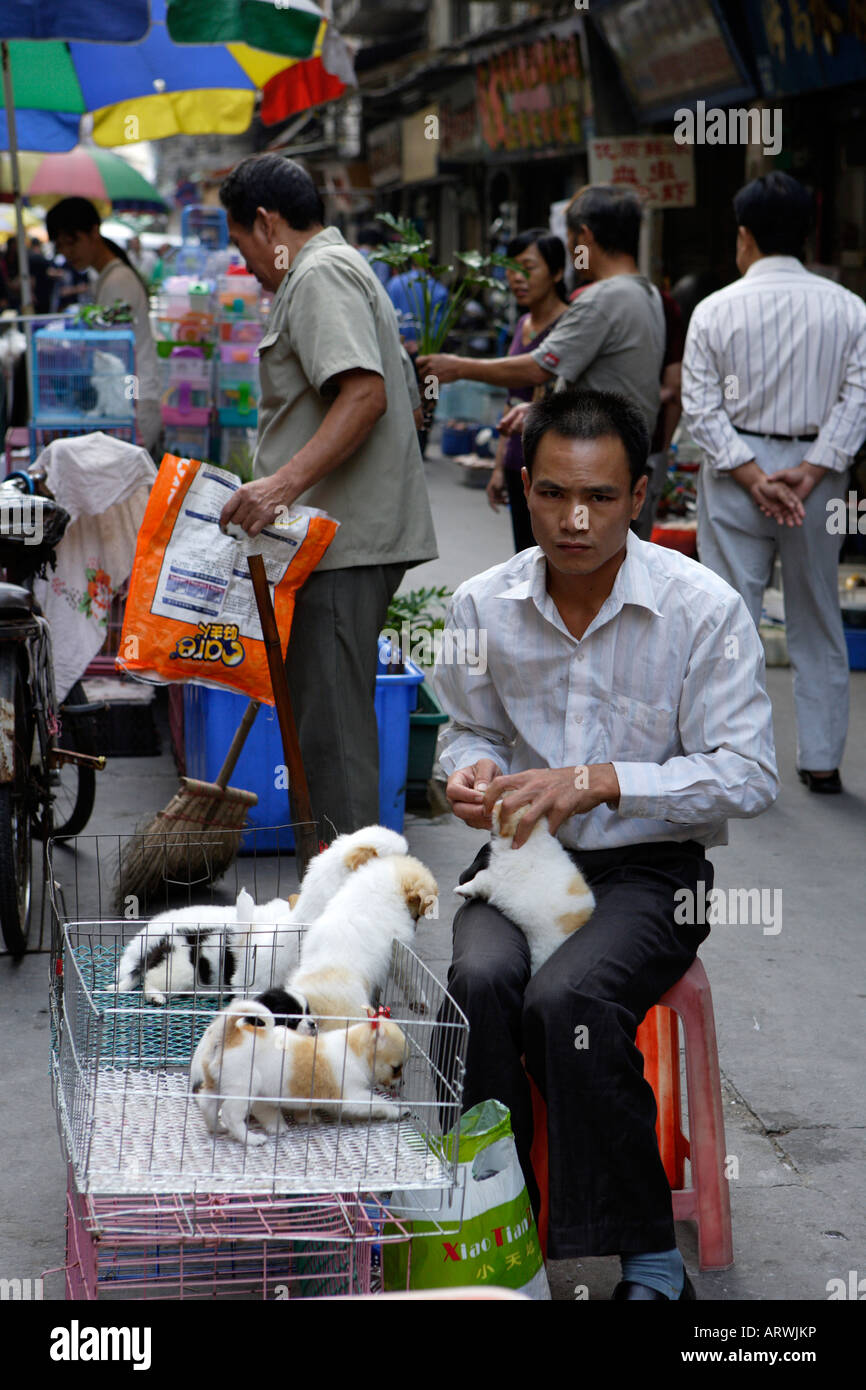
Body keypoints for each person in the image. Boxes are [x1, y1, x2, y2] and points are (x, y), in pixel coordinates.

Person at [434, 387, 778, 1300]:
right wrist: (468, 775)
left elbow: (749, 773)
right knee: (478, 981)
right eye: (551, 495)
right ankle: (496, 1232)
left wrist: (597, 779)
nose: (573, 519)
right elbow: (466, 729)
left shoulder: (702, 610)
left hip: (655, 867)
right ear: (523, 490)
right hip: (522, 859)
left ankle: (651, 1257)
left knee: (569, 997)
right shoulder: (481, 605)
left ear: (642, 497)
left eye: (598, 497)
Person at [216, 154, 437, 838]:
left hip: (340, 546)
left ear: (266, 221)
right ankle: (340, 899)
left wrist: (280, 484)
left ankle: (356, 916)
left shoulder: (319, 273)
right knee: (324, 731)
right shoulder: (330, 271)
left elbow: (364, 394)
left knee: (334, 743)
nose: (248, 265)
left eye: (243, 245)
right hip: (332, 542)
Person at [681, 171, 866, 794]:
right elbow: (858, 397)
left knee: (729, 617)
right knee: (818, 616)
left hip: (737, 477)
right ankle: (820, 762)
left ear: (744, 238)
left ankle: (733, 753)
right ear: (808, 235)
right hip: (816, 478)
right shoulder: (849, 308)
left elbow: (701, 407)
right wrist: (813, 468)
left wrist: (753, 475)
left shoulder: (715, 309)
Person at [419, 186, 666, 441]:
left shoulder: (603, 298)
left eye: (570, 239)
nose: (573, 254)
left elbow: (538, 369)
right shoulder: (647, 293)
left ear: (584, 236)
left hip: (599, 450)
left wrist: (458, 367)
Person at [44, 198, 161, 456]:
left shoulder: (119, 281)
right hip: (130, 400)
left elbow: (115, 353)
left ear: (93, 232)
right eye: (60, 245)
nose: (66, 252)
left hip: (135, 399)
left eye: (71, 242)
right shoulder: (107, 278)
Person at [485, 228, 569, 551]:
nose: (517, 278)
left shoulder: (570, 327)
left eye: (528, 268)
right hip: (516, 464)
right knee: (524, 558)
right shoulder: (522, 325)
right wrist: (498, 467)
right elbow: (512, 399)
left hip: (552, 468)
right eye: (512, 269)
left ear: (557, 271)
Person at [386, 262, 449, 356]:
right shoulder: (438, 288)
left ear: (412, 265)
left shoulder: (393, 283)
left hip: (396, 348)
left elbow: (386, 316)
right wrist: (420, 344)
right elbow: (440, 324)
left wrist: (400, 342)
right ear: (433, 270)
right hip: (425, 351)